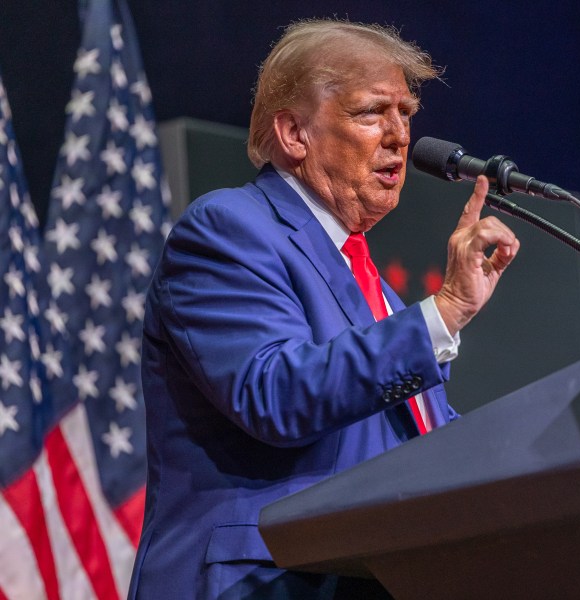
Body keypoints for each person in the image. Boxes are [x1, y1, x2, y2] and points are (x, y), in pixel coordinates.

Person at [128, 18, 519, 599]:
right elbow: (275, 392)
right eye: (371, 113)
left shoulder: (374, 290)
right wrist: (445, 311)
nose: (398, 136)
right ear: (293, 133)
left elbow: (417, 453)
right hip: (259, 581)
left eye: (406, 114)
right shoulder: (228, 229)